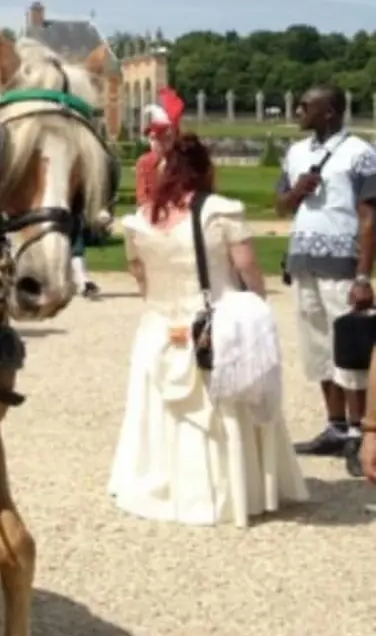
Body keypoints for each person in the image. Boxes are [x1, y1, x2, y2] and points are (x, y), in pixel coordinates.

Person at [108, 134, 307, 526]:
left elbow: (140, 276)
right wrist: (256, 306)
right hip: (213, 323)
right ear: (205, 169)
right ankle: (234, 491)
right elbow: (248, 268)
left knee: (161, 416)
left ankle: (166, 485)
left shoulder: (140, 219)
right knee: (223, 412)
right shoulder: (220, 212)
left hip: (158, 325)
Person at [275, 85, 376, 464]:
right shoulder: (296, 153)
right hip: (303, 260)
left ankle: (359, 431)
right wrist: (297, 191)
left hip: (342, 263)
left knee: (350, 349)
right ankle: (335, 426)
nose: (298, 110)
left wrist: (363, 276)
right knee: (318, 348)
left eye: (306, 106)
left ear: (330, 111)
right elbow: (280, 205)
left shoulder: (360, 154)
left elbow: (369, 217)